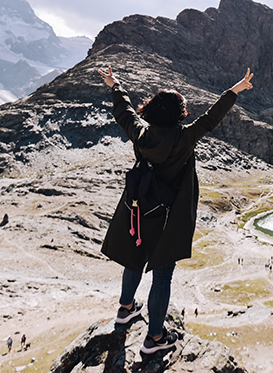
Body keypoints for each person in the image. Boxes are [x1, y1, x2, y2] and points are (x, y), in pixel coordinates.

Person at [98, 65, 253, 356]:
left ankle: (125, 309)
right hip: (167, 216)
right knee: (162, 274)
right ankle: (154, 338)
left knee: (134, 258)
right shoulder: (185, 137)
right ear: (178, 114)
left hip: (138, 207)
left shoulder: (141, 133)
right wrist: (235, 90)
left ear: (154, 110)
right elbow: (211, 118)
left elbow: (125, 111)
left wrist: (115, 84)